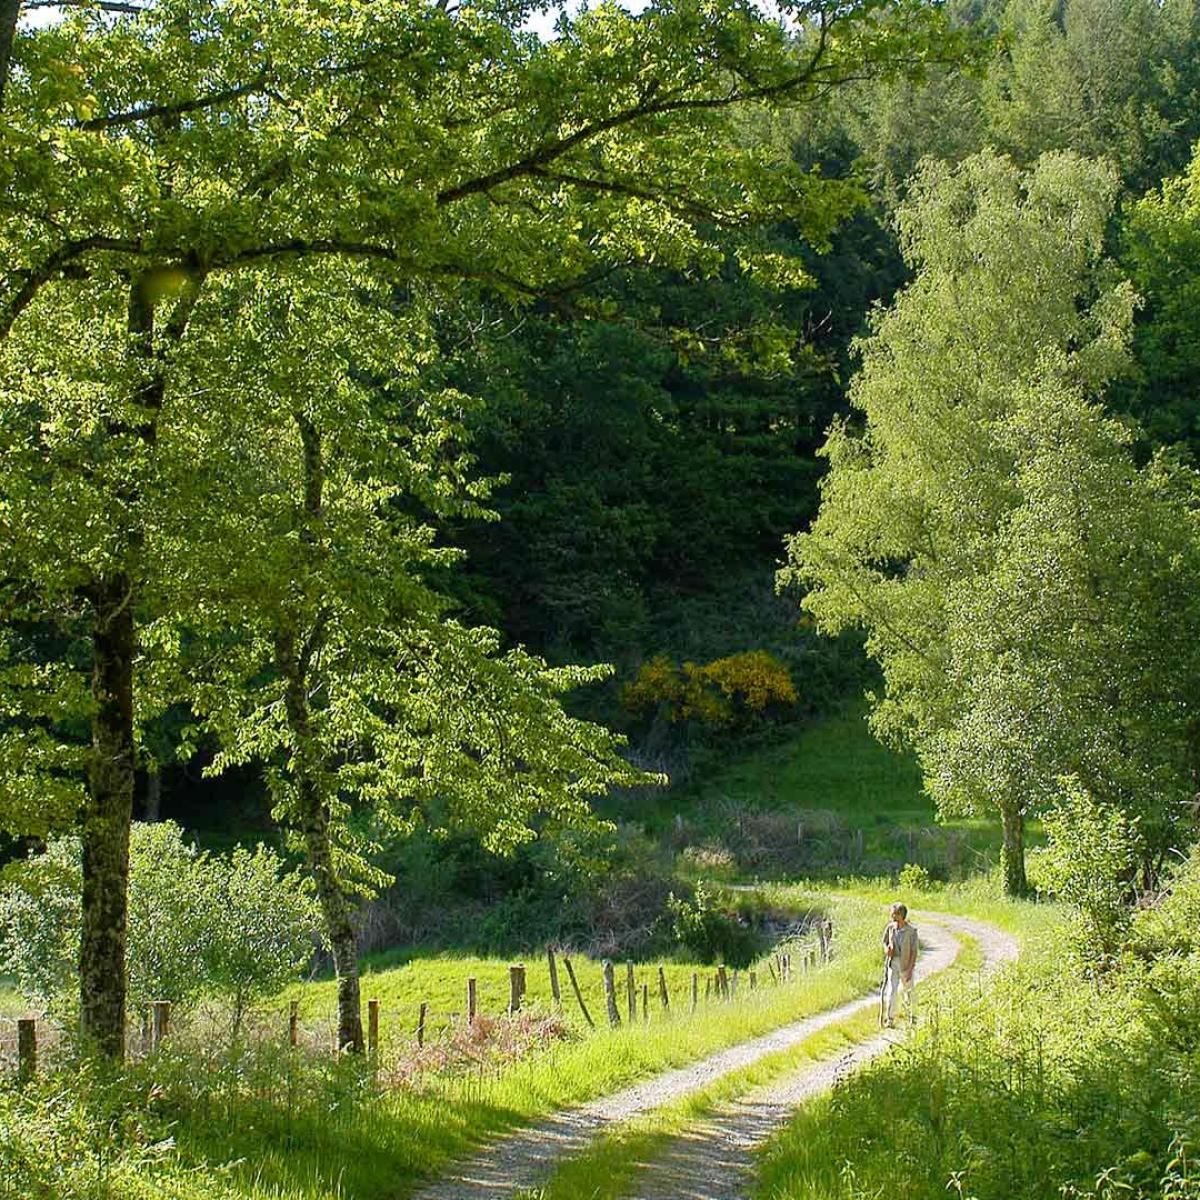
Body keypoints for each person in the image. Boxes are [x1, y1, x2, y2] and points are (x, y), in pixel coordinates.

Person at [881, 902, 918, 1028]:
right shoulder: (890, 928)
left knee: (908, 991)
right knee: (892, 991)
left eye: (894, 914)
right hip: (893, 964)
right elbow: (884, 942)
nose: (892, 917)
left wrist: (910, 970)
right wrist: (887, 950)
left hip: (906, 964)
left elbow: (914, 952)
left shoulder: (911, 931)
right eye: (892, 914)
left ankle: (912, 1018)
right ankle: (890, 1018)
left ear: (901, 915)